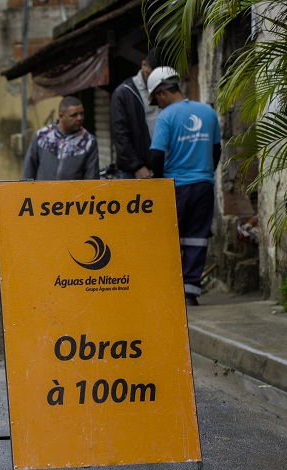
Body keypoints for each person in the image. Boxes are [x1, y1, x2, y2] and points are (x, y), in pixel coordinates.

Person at [148, 67, 221, 306]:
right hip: (203, 185)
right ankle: (190, 293)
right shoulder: (208, 112)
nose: (158, 104)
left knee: (169, 238)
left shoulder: (166, 117)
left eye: (157, 99)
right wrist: (206, 172)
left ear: (162, 94)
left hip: (175, 186)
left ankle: (170, 291)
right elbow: (216, 150)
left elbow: (157, 155)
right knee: (197, 238)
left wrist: (158, 182)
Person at [110, 49, 160, 179]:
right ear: (143, 65)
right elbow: (120, 134)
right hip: (136, 170)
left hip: (162, 165)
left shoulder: (164, 89)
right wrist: (136, 166)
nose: (154, 80)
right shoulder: (123, 93)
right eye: (150, 74)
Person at [23, 96, 99, 180]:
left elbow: (92, 179)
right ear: (61, 116)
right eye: (74, 115)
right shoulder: (42, 137)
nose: (80, 118)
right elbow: (28, 172)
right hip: (44, 192)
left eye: (82, 113)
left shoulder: (88, 142)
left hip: (73, 193)